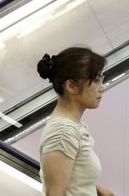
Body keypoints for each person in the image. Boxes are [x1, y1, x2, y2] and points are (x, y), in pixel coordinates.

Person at [37, 47, 115, 196]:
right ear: (71, 86)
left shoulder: (72, 127)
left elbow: (74, 178)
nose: (102, 88)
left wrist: (93, 188)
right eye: (96, 80)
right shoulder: (63, 132)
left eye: (101, 78)